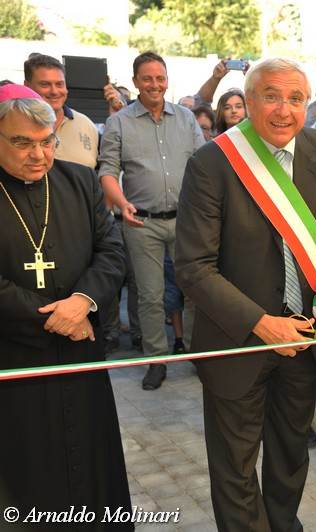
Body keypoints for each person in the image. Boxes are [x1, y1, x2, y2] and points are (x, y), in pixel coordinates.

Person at [174, 58, 316, 532]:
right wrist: (261, 323)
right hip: (236, 341)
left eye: (295, 99)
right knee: (235, 469)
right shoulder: (211, 162)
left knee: (290, 457)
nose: (284, 110)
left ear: (308, 104)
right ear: (249, 100)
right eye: (271, 96)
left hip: (304, 338)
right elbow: (193, 268)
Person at [0, 84, 131, 524]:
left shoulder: (79, 180)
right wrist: (55, 318)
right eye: (23, 143)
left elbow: (112, 251)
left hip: (81, 354)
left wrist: (82, 301)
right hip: (15, 359)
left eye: (47, 142)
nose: (38, 155)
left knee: (91, 465)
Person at [98, 51, 204, 390]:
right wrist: (121, 202)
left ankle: (198, 354)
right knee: (150, 295)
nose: (154, 84)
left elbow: (204, 166)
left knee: (197, 289)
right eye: (147, 78)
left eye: (160, 78)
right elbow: (107, 170)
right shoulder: (118, 123)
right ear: (136, 82)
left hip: (187, 220)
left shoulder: (186, 118)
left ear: (167, 80)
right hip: (141, 222)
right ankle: (156, 360)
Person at [23, 54, 99, 168]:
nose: (54, 91)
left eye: (59, 84)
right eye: (45, 84)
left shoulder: (86, 125)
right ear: (27, 86)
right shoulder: (14, 125)